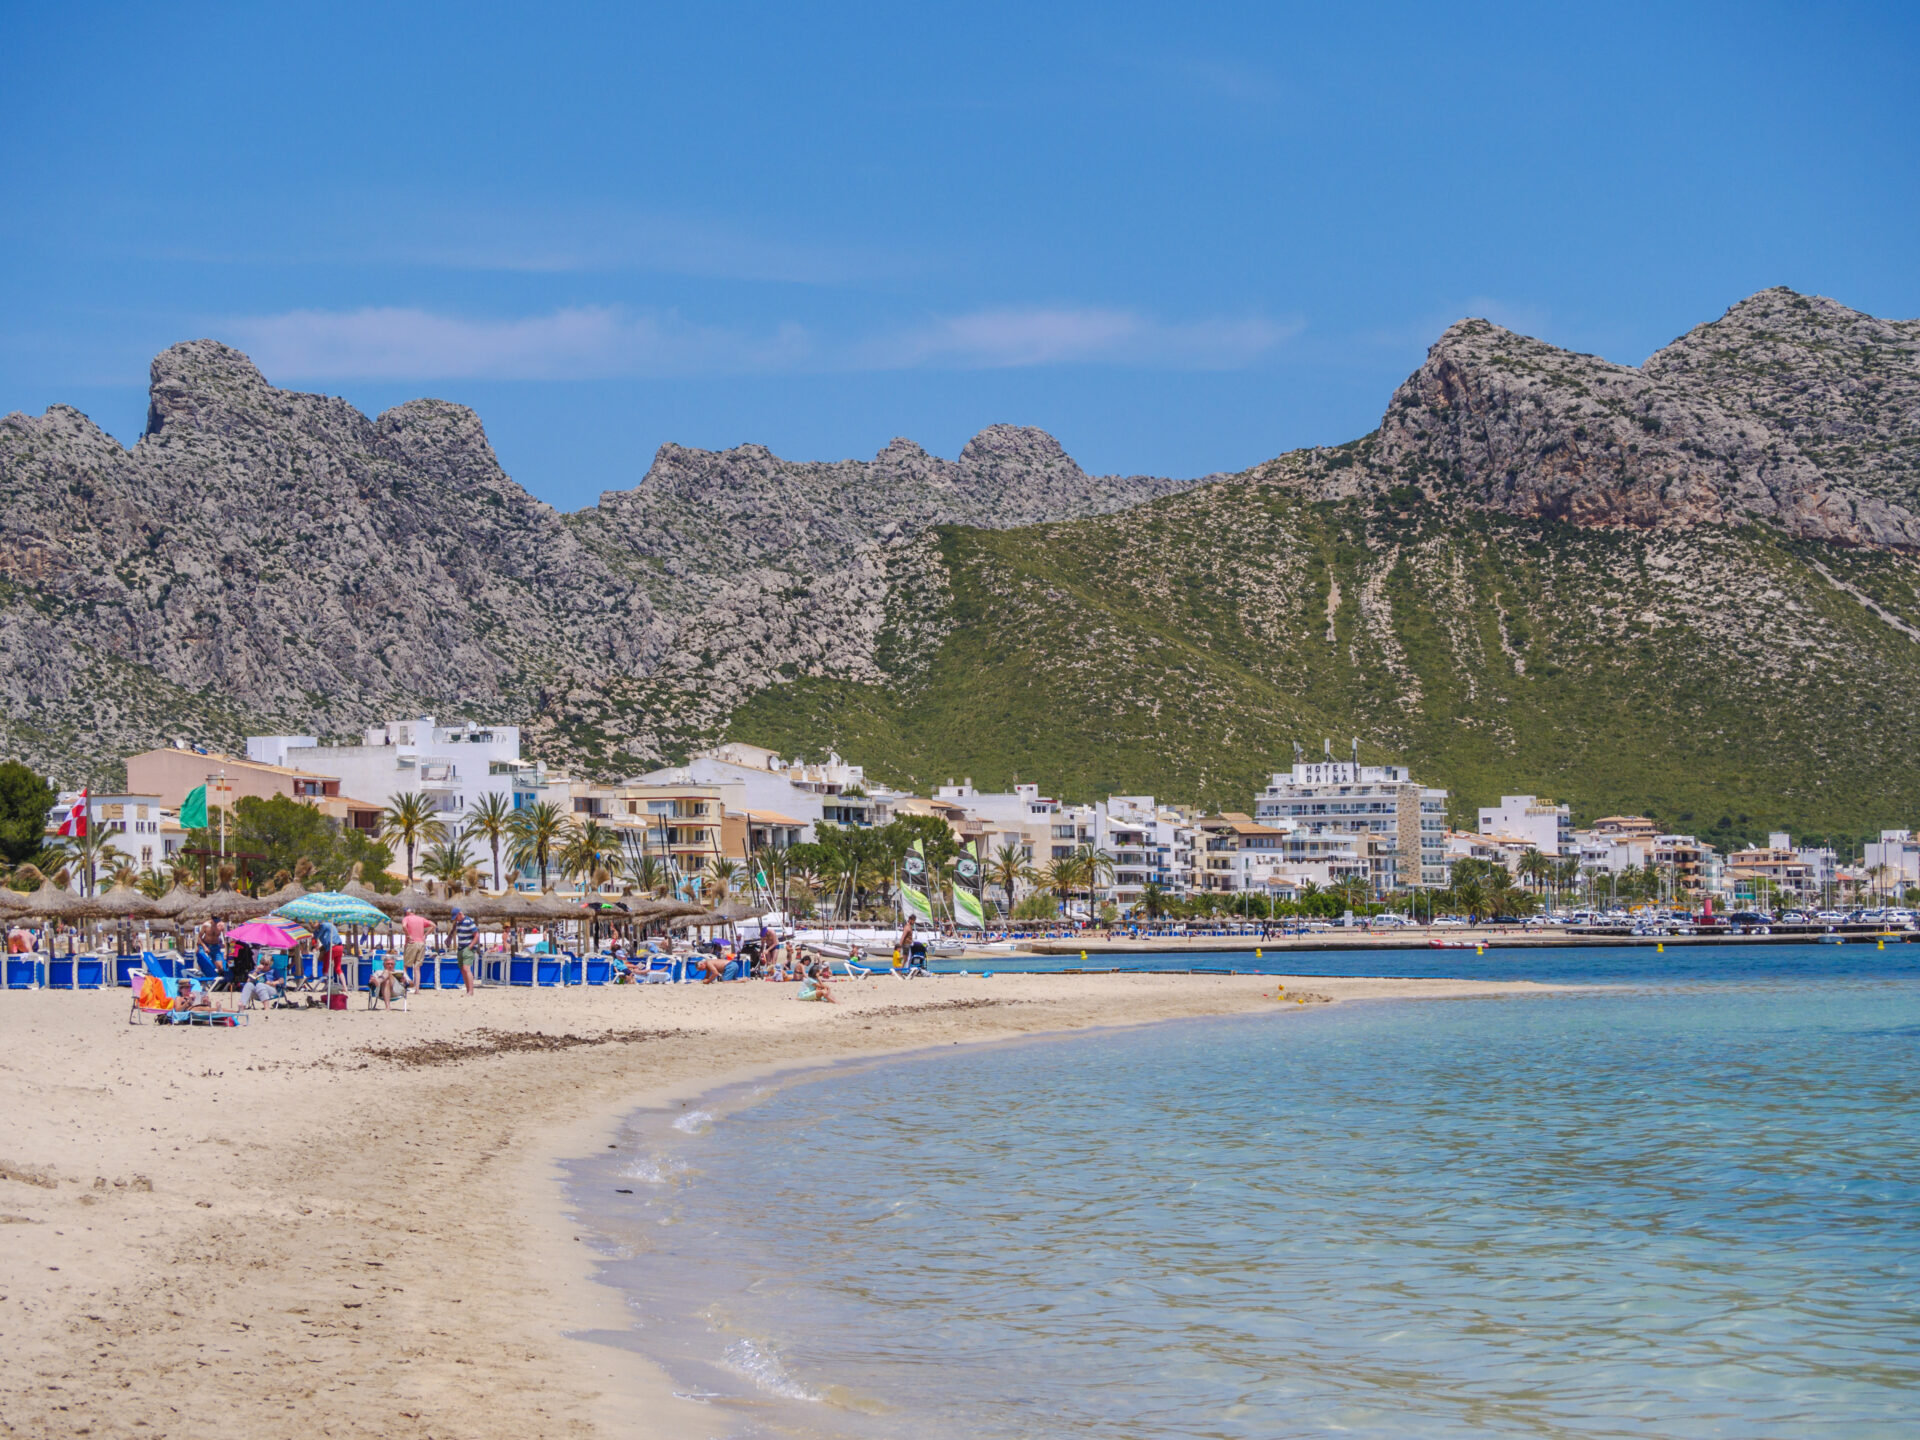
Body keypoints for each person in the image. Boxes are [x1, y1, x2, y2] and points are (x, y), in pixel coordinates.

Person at [399, 907, 434, 989]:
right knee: (417, 967)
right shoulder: (421, 919)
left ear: (407, 913)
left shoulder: (406, 918)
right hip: (421, 943)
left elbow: (404, 926)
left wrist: (408, 935)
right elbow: (433, 925)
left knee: (404, 966)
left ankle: (409, 981)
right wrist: (425, 935)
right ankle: (417, 989)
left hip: (412, 943)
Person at [450, 907, 478, 995]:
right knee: (462, 969)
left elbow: (476, 935)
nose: (455, 919)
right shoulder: (458, 923)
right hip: (460, 948)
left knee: (467, 969)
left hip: (467, 948)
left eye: (456, 917)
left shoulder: (469, 921)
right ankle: (468, 990)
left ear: (459, 914)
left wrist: (470, 947)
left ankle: (471, 991)